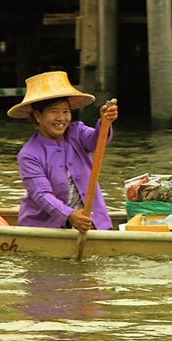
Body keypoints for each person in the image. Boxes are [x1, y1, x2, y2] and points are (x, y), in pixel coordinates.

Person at [7, 71, 119, 233]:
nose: (62, 118)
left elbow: (97, 141)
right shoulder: (29, 154)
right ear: (38, 115)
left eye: (66, 111)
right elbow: (42, 194)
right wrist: (70, 215)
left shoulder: (77, 131)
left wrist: (105, 122)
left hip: (92, 220)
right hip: (47, 226)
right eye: (54, 111)